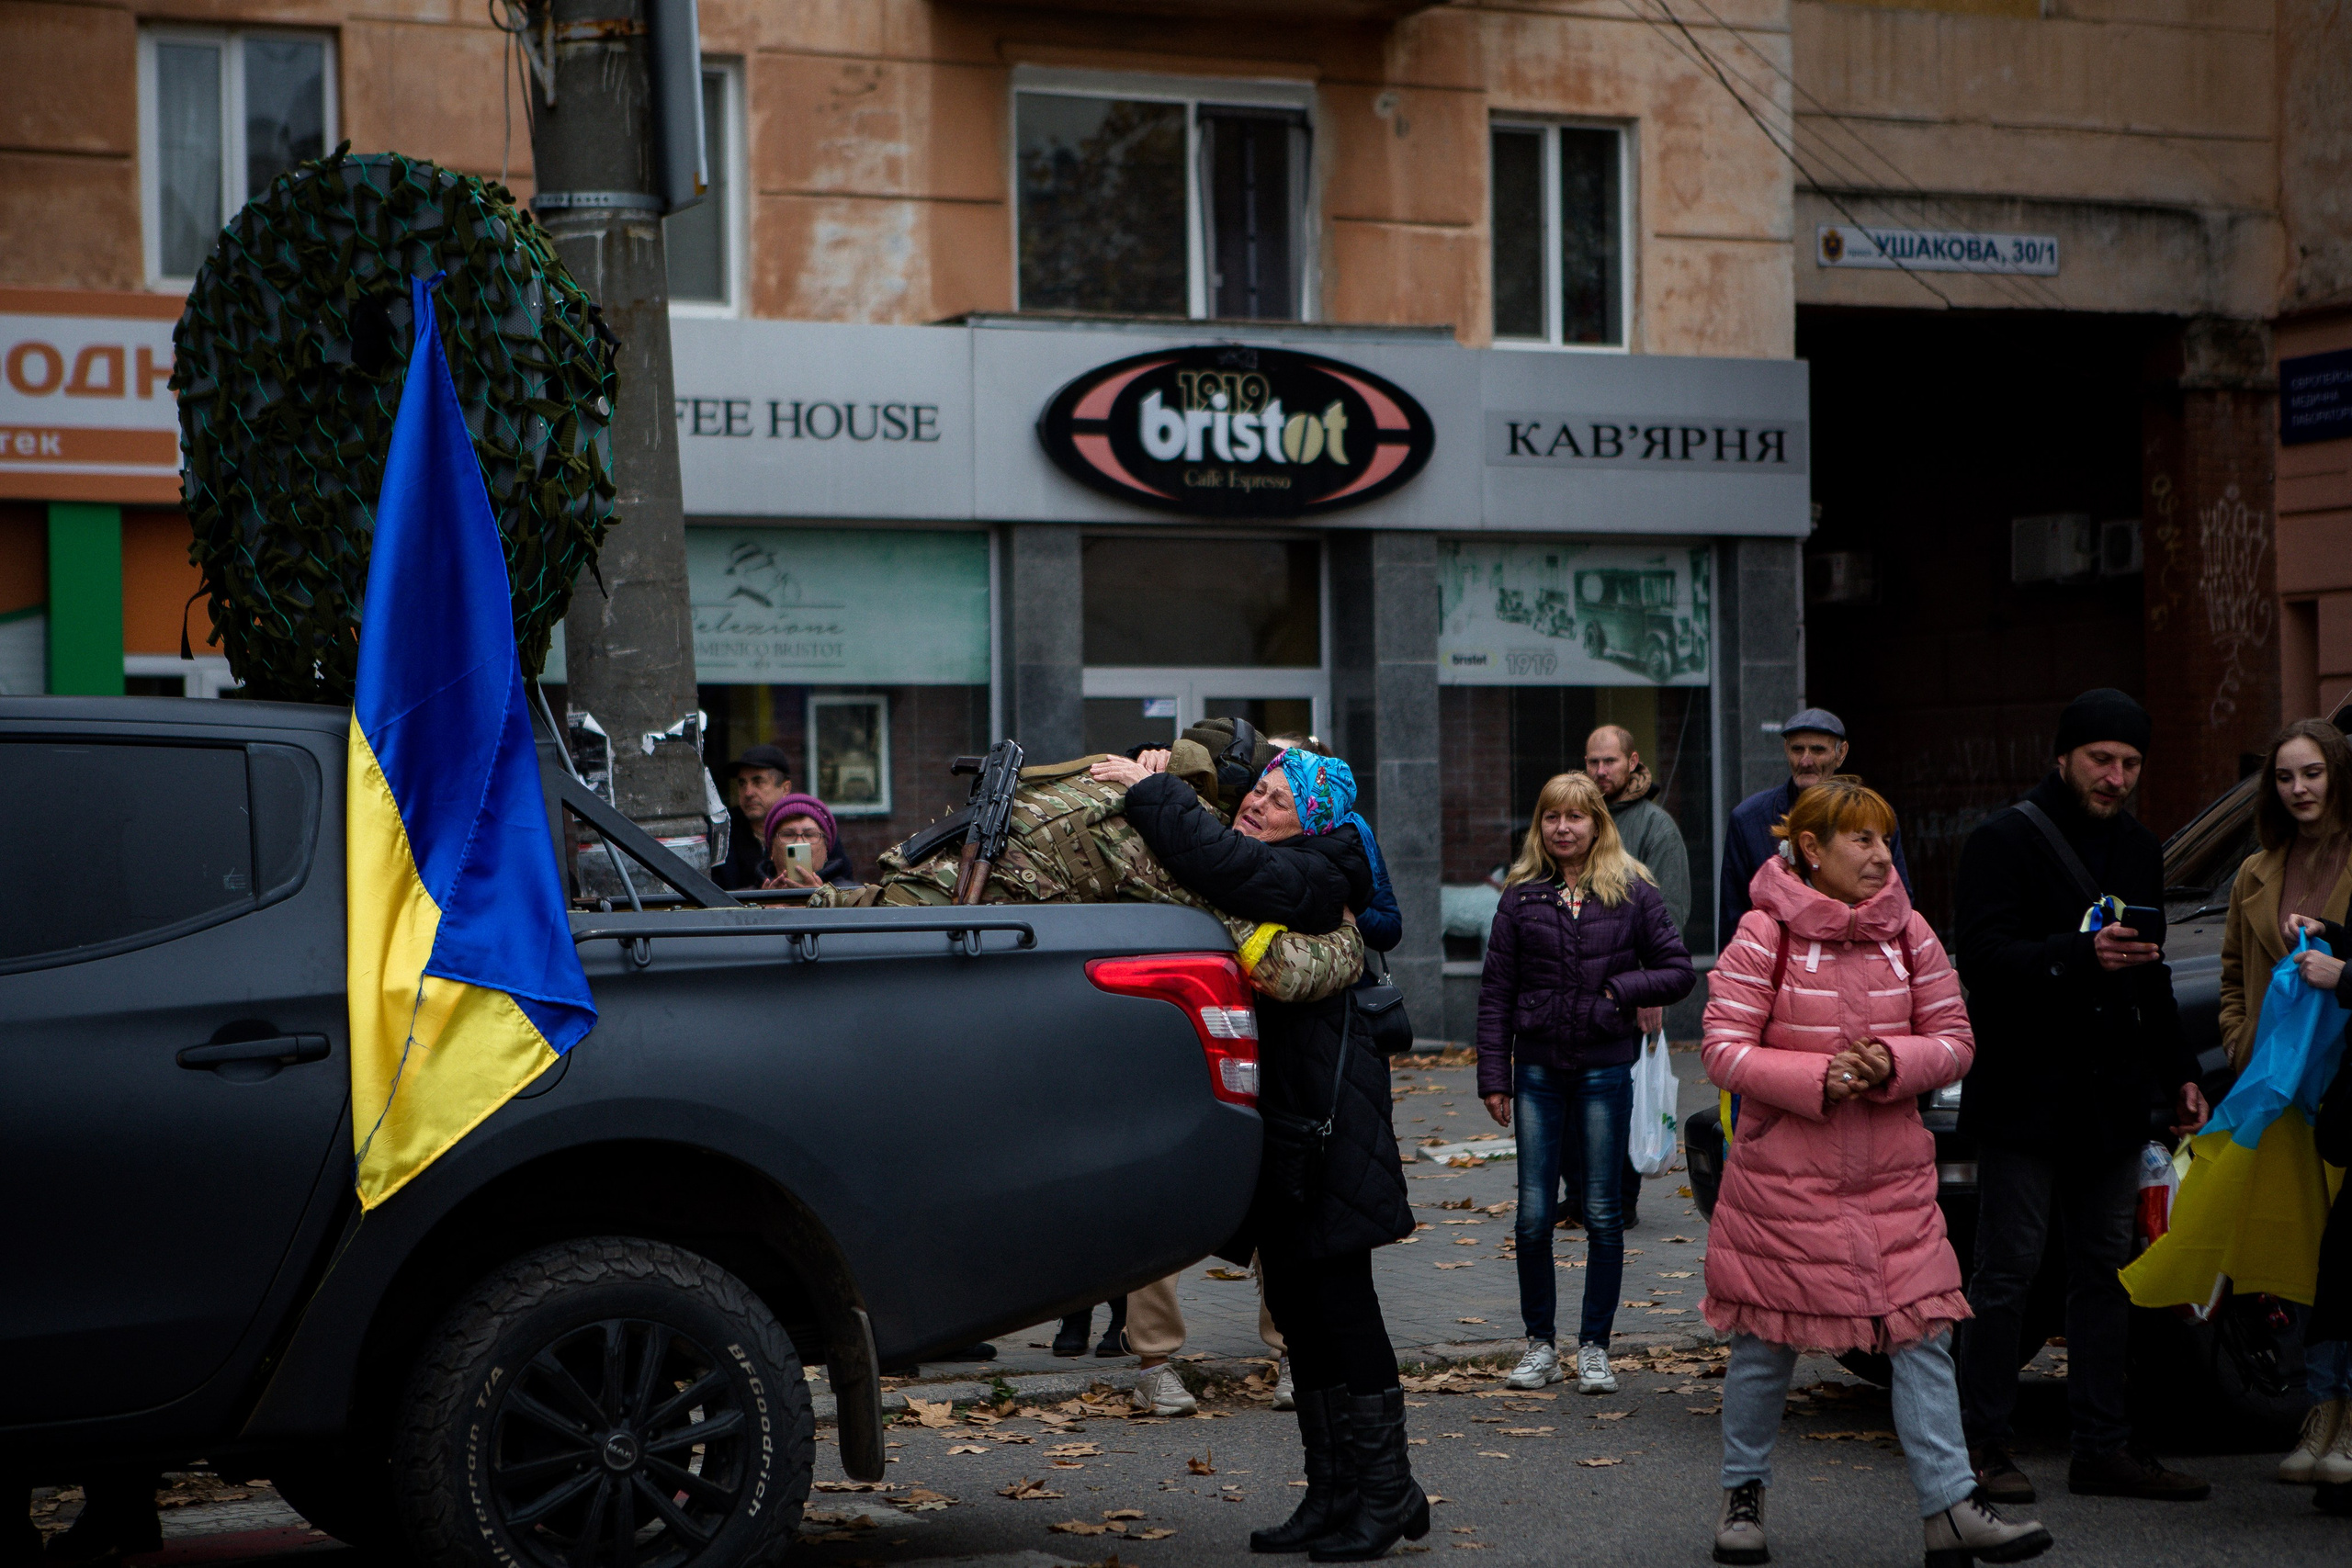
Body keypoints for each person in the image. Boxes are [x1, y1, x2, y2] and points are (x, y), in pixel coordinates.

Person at [1698, 776, 2048, 1567]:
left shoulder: (1910, 932)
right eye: (1862, 839)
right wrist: (1818, 1077)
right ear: (1812, 849)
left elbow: (1957, 1038)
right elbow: (1721, 1047)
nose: (1881, 854)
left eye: (1886, 839)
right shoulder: (1764, 931)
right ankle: (1742, 1495)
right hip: (1782, 1185)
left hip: (1893, 1181)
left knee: (1922, 1334)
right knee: (1765, 1340)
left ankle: (1951, 1507)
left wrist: (1892, 1062)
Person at [1102, 746, 1425, 1562]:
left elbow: (1226, 867)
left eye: (1276, 799)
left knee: (1344, 1305)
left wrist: (1153, 792)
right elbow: (1215, 861)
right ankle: (1331, 1490)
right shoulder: (1284, 858)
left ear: (1311, 816)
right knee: (1302, 1310)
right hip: (1281, 1119)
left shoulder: (1321, 869)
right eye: (1257, 791)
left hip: (1329, 1118)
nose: (1255, 804)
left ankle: (1387, 1492)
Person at [1952, 688, 2212, 1504]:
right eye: (2102, 759)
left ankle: (2102, 1445)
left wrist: (2180, 1074)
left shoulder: (2138, 846)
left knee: (2106, 1270)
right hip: (2026, 1096)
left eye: (2131, 763)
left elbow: (2154, 971)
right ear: (2062, 757)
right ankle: (1981, 1444)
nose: (2116, 775)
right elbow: (1985, 963)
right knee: (2008, 1274)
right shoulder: (2001, 840)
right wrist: (2077, 953)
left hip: (2109, 1100)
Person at [1475, 772, 1694, 1397]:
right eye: (1551, 817)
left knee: (1602, 1211)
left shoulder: (1632, 890)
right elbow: (1496, 995)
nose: (1563, 827)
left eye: (1575, 817)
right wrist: (1495, 1076)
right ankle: (1539, 1344)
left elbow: (1678, 971)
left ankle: (1594, 1346)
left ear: (1599, 823)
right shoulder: (1521, 896)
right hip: (1538, 1070)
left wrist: (1621, 990)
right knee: (1533, 1214)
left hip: (1605, 1068)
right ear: (1538, 826)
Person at [1571, 725, 1691, 1230]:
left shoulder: (1654, 827)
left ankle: (1621, 1201)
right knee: (1576, 1094)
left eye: (1610, 762)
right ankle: (1580, 1197)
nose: (1601, 772)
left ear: (1633, 761)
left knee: (1624, 1095)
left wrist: (1651, 986)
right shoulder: (1573, 819)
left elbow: (1672, 911)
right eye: (1592, 762)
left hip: (1629, 987)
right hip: (1577, 988)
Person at [2223, 720, 2352, 1071]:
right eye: (2284, 778)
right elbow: (2233, 975)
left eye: (2312, 774)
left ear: (2339, 775)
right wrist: (2237, 1041)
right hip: (2266, 1074)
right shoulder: (2253, 873)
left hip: (2337, 1078)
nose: (2298, 789)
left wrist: (2343, 974)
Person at [1718, 708, 1912, 929]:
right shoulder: (1748, 820)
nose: (1806, 761)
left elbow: (1899, 901)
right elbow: (1734, 919)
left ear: (1841, 754)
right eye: (1797, 750)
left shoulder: (1873, 818)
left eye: (1818, 750)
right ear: (1786, 750)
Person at [715, 743, 797, 890]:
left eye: (758, 782)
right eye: (742, 784)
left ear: (785, 789)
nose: (748, 793)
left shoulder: (810, 828)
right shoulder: (723, 832)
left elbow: (841, 884)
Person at [758, 793, 854, 888]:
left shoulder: (849, 896)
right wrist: (766, 901)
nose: (799, 842)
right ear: (771, 849)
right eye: (788, 835)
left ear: (826, 850)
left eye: (809, 835)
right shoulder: (747, 898)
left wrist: (820, 899)